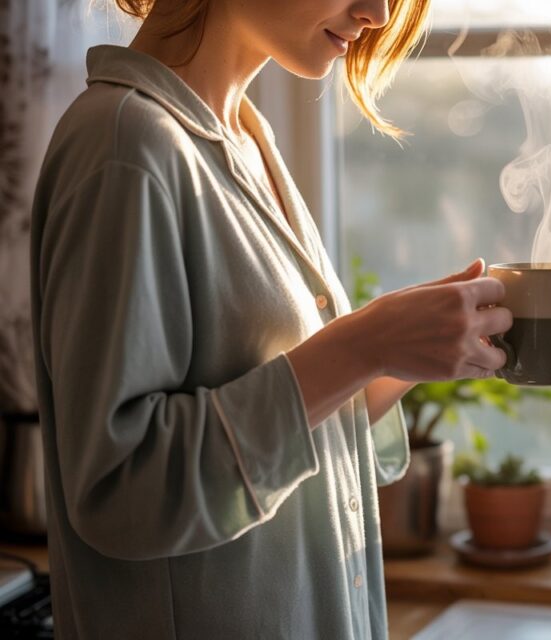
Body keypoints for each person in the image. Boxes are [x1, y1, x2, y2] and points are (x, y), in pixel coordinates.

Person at [29, 0, 512, 637]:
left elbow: (279, 416)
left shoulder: (245, 138)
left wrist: (398, 354)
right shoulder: (125, 145)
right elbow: (121, 492)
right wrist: (360, 346)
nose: (377, 14)